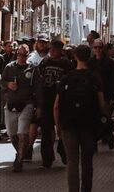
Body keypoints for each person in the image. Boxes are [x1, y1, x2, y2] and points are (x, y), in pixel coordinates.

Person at [55, 44, 109, 192]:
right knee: (87, 161)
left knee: (72, 162)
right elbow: (102, 103)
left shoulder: (66, 78)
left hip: (68, 125)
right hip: (89, 125)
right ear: (89, 56)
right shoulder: (94, 77)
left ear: (75, 57)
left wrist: (58, 126)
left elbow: (56, 106)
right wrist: (105, 117)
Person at [37, 39, 74, 167]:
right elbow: (39, 80)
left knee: (62, 129)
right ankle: (47, 159)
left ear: (60, 51)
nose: (52, 52)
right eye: (51, 49)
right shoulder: (45, 62)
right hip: (47, 101)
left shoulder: (67, 64)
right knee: (46, 130)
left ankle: (63, 152)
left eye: (54, 50)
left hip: (61, 101)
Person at [1, 43, 38, 171]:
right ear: (17, 54)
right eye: (20, 54)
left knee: (22, 133)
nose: (22, 57)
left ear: (28, 55)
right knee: (12, 134)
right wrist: (8, 84)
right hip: (11, 104)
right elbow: (1, 83)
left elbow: (38, 89)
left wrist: (39, 107)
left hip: (27, 104)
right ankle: (21, 152)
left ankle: (20, 160)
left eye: (24, 55)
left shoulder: (33, 69)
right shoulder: (9, 67)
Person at [89, 38, 114, 149]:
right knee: (94, 119)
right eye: (95, 47)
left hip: (106, 95)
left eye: (100, 47)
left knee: (104, 118)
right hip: (93, 96)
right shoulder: (90, 62)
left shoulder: (110, 63)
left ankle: (109, 136)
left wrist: (113, 98)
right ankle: (94, 143)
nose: (98, 50)